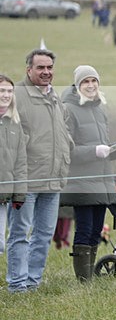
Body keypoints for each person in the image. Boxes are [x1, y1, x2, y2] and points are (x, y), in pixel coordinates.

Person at [7, 49, 72, 293]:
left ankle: (33, 281)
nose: (46, 72)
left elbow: (63, 133)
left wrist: (68, 150)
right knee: (21, 233)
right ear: (29, 70)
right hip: (27, 181)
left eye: (49, 68)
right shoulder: (17, 96)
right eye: (40, 68)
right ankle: (17, 285)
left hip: (54, 180)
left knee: (44, 234)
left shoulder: (55, 96)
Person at [60, 65, 116, 281]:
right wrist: (94, 151)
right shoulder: (68, 109)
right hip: (81, 181)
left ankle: (89, 274)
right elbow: (67, 149)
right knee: (85, 227)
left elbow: (103, 150)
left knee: (97, 229)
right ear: (78, 85)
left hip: (101, 179)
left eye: (94, 81)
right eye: (85, 82)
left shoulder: (100, 109)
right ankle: (83, 279)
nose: (90, 85)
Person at [0, 75, 27, 258]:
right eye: (2, 90)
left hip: (3, 194)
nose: (6, 95)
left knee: (0, 243)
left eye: (10, 91)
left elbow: (20, 161)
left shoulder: (15, 124)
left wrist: (19, 193)